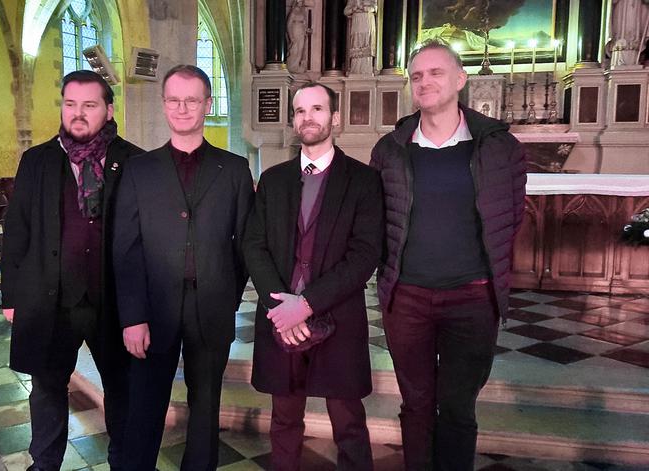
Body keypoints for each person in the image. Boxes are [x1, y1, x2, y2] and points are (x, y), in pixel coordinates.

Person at [370, 40, 527, 470]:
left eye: (436, 72)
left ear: (460, 79)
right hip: (407, 297)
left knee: (458, 406)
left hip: (473, 297)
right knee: (416, 403)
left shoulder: (498, 146)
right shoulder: (390, 149)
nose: (425, 82)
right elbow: (379, 218)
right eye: (417, 76)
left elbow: (511, 216)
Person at [112, 64, 254, 471]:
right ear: (163, 104)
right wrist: (133, 316)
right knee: (145, 404)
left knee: (206, 406)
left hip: (211, 307)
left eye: (192, 100)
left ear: (208, 104)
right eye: (174, 99)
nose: (182, 107)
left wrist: (226, 295)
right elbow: (126, 249)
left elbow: (245, 243)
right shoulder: (139, 170)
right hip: (152, 310)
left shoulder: (234, 169)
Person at [1, 70, 144, 471]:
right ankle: (45, 464)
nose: (78, 113)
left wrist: (143, 306)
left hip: (112, 300)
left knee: (122, 387)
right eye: (70, 104)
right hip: (51, 299)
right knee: (47, 389)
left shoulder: (135, 161)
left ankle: (125, 462)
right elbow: (17, 231)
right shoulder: (37, 160)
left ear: (109, 110)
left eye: (89, 105)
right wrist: (11, 296)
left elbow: (145, 240)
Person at [244, 82, 383, 470]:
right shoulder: (274, 179)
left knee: (348, 420)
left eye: (317, 109)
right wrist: (281, 308)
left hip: (337, 313)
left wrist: (305, 304)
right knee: (284, 417)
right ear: (294, 120)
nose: (308, 117)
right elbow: (254, 245)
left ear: (334, 118)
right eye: (301, 111)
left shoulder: (363, 180)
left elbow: (365, 255)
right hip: (281, 316)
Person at [286, 0, 309, 73]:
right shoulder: (293, 12)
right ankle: (292, 66)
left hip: (301, 31)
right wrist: (291, 36)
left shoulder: (302, 12)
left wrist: (306, 30)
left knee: (300, 49)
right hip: (295, 29)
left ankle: (297, 66)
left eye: (302, 2)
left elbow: (305, 23)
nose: (301, 3)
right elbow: (289, 24)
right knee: (294, 48)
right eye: (300, 2)